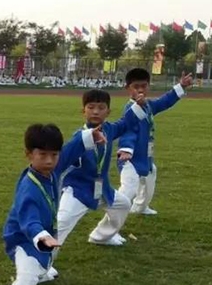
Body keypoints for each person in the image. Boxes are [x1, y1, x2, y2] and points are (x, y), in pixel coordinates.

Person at [0, 123, 105, 285]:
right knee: (27, 276)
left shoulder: (50, 170)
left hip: (38, 236)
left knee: (40, 268)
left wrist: (88, 136)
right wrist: (41, 236)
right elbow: (28, 218)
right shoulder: (29, 187)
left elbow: (70, 150)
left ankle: (40, 274)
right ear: (28, 155)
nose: (50, 160)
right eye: (42, 155)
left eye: (54, 155)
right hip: (23, 238)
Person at [57, 90, 147, 247]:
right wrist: (88, 137)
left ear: (108, 111)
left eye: (101, 107)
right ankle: (41, 265)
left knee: (123, 205)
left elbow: (125, 123)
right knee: (61, 223)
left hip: (102, 189)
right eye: (91, 107)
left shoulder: (109, 129)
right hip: (79, 190)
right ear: (83, 110)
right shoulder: (79, 136)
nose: (96, 111)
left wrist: (137, 106)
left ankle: (101, 237)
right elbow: (64, 157)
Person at [116, 69, 193, 215]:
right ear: (128, 88)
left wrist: (181, 86)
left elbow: (164, 101)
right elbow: (128, 130)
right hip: (130, 158)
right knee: (128, 188)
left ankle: (140, 207)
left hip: (145, 155)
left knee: (150, 177)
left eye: (144, 86)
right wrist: (126, 150)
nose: (140, 90)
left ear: (148, 86)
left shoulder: (149, 105)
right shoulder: (130, 109)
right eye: (136, 87)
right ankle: (114, 215)